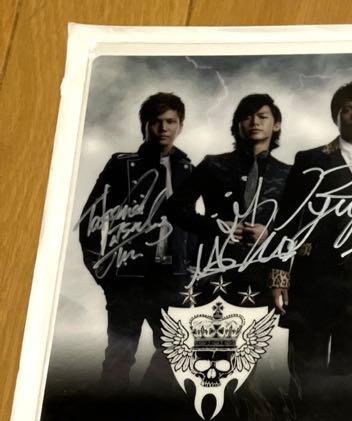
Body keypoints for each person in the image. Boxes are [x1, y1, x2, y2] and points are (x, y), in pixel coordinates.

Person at [268, 80, 352, 416]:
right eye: (348, 109)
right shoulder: (310, 159)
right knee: (306, 372)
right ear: (337, 116)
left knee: (351, 374)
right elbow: (287, 221)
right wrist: (279, 274)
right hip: (314, 282)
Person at [78, 91, 194, 391]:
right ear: (144, 125)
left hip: (171, 279)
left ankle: (142, 408)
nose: (163, 128)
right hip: (128, 279)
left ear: (180, 125)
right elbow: (91, 219)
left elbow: (192, 226)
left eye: (171, 121)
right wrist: (102, 271)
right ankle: (109, 415)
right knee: (119, 357)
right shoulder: (122, 165)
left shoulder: (187, 168)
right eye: (156, 121)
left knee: (174, 352)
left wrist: (191, 272)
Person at [164, 92, 290, 312]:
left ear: (276, 125)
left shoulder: (288, 173)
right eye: (247, 116)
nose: (255, 122)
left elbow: (296, 227)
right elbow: (174, 208)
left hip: (263, 273)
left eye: (262, 116)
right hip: (214, 271)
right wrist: (218, 227)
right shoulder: (213, 165)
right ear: (237, 125)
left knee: (259, 334)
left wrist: (269, 237)